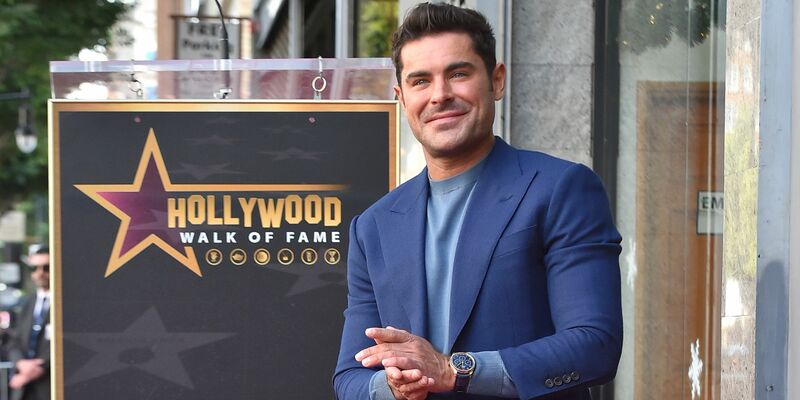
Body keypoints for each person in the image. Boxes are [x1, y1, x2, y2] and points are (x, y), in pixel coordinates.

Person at [333, 3, 623, 400]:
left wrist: (455, 370)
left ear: (497, 80)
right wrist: (393, 386)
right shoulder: (374, 226)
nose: (440, 95)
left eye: (458, 74)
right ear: (401, 98)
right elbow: (350, 378)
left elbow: (596, 345)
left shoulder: (560, 189)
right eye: (420, 81)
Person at [8, 245, 51, 400]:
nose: (40, 273)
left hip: (51, 387)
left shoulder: (65, 304)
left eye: (46, 267)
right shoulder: (27, 303)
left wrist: (35, 370)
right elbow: (14, 341)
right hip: (24, 392)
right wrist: (20, 363)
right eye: (34, 268)